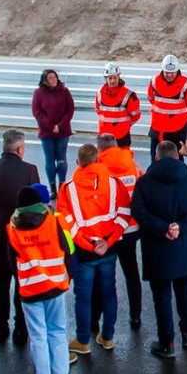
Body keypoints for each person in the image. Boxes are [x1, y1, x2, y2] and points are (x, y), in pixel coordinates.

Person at [131, 139, 187, 358]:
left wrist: (162, 228)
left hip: (156, 248)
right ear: (178, 156)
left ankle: (167, 343)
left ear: (156, 157)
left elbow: (138, 211)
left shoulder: (144, 182)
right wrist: (181, 227)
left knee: (162, 296)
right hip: (183, 246)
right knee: (184, 291)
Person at [7, 184, 74, 374]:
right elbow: (69, 249)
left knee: (38, 335)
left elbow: (12, 264)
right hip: (56, 285)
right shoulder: (56, 221)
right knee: (58, 330)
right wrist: (68, 276)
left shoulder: (12, 228)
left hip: (30, 290)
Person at [58, 143, 123, 358]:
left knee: (83, 297)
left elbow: (67, 224)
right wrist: (107, 243)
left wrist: (89, 245)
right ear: (98, 160)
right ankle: (108, 337)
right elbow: (124, 214)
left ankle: (83, 340)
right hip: (108, 250)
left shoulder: (67, 188)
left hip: (84, 253)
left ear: (78, 162)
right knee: (109, 293)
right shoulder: (114, 183)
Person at [0, 129, 40, 345]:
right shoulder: (30, 170)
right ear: (20, 149)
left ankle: (1, 327)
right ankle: (20, 328)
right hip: (22, 237)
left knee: (0, 283)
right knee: (21, 282)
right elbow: (35, 204)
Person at [95, 132, 143, 330]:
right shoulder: (134, 166)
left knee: (105, 276)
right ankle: (135, 316)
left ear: (100, 150)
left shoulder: (97, 170)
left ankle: (99, 319)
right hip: (132, 228)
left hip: (109, 231)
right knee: (132, 272)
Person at [31, 69, 75, 195]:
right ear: (45, 80)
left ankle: (62, 185)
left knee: (61, 158)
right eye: (50, 78)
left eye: (55, 77)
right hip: (46, 131)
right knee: (49, 159)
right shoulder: (38, 93)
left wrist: (60, 125)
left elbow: (70, 109)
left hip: (63, 130)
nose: (54, 80)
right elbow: (37, 112)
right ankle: (52, 187)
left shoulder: (64, 91)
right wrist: (51, 126)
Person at [146, 55, 187, 164]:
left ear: (177, 70)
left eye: (172, 72)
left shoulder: (186, 85)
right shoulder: (154, 81)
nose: (169, 75)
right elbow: (151, 98)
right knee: (155, 161)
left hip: (177, 131)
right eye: (167, 72)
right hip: (158, 130)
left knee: (177, 162)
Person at [95, 63, 143, 147]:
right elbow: (98, 111)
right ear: (106, 79)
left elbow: (136, 115)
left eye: (115, 77)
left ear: (119, 77)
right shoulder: (99, 93)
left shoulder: (129, 95)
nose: (113, 81)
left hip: (122, 138)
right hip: (104, 137)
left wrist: (124, 127)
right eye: (110, 78)